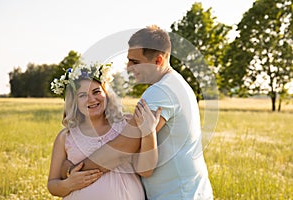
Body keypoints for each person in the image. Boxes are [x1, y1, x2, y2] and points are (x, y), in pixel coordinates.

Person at [61, 25, 213, 200]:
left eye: (135, 62)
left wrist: (73, 170)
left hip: (178, 194)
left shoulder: (160, 92)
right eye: (128, 60)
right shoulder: (174, 83)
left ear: (158, 60)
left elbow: (122, 148)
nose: (128, 67)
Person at [47, 62, 160, 199]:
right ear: (74, 101)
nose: (91, 99)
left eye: (96, 92)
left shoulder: (126, 124)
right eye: (82, 95)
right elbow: (52, 185)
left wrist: (149, 132)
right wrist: (69, 184)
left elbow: (146, 170)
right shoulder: (66, 137)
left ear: (106, 93)